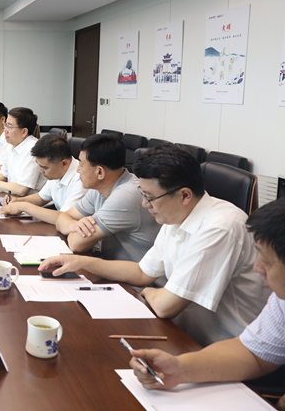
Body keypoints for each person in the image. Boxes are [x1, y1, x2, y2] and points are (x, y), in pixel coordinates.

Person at [39, 144, 265, 345]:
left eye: (150, 197)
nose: (145, 204)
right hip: (181, 331)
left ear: (184, 195)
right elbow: (141, 272)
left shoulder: (221, 227)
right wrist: (81, 262)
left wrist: (148, 292)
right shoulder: (176, 214)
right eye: (143, 194)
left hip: (223, 345)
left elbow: (166, 306)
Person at [129, 198, 285, 410]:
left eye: (266, 262)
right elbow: (253, 354)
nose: (257, 268)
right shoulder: (281, 300)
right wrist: (179, 368)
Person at [55, 133, 158, 262]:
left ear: (100, 172)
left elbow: (76, 244)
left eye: (81, 165)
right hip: (108, 264)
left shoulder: (126, 195)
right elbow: (62, 218)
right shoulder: (99, 188)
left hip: (133, 273)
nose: (77, 170)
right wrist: (73, 225)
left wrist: (74, 230)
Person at [0, 134, 86, 225]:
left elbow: (65, 218)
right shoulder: (56, 172)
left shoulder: (81, 180)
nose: (40, 170)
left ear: (64, 164)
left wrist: (23, 206)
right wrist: (17, 201)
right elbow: (41, 198)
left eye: (45, 167)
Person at [0, 107, 45, 197]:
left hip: (30, 202)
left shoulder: (32, 149)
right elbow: (3, 175)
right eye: (5, 125)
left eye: (9, 127)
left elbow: (22, 189)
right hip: (13, 198)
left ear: (24, 132)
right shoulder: (11, 145)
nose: (5, 130)